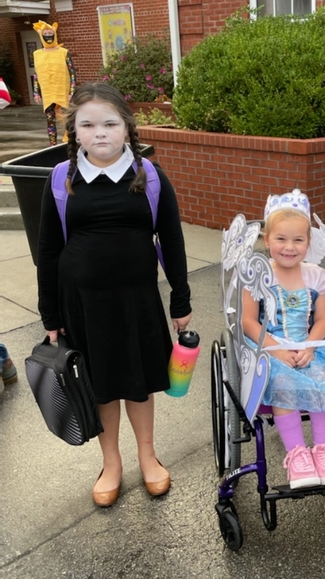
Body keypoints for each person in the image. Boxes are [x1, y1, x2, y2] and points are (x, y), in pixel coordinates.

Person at [36, 83, 192, 507]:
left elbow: (172, 240)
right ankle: (111, 464)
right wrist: (50, 314)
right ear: (74, 131)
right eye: (87, 125)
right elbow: (47, 250)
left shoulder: (149, 176)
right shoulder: (62, 179)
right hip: (83, 305)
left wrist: (180, 300)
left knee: (138, 384)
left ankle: (148, 456)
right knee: (101, 386)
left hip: (136, 301)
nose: (99, 132)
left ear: (127, 127)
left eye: (109, 123)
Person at [242, 191, 325, 490]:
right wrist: (275, 351)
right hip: (270, 347)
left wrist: (310, 346)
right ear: (267, 239)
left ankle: (324, 449)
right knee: (281, 380)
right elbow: (249, 321)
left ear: (308, 242)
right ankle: (297, 454)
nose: (289, 247)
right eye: (281, 239)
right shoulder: (257, 275)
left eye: (298, 240)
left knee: (324, 375)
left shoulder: (317, 276)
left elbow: (323, 320)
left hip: (307, 344)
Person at [32, 20, 76, 146]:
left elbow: (72, 72)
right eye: (45, 34)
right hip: (48, 92)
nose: (48, 36)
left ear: (54, 33)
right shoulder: (37, 54)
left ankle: (70, 142)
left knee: (67, 118)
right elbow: (36, 74)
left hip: (62, 91)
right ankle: (52, 145)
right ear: (41, 36)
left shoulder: (64, 52)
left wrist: (71, 91)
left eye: (50, 33)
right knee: (50, 120)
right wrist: (36, 92)